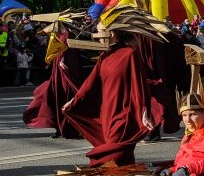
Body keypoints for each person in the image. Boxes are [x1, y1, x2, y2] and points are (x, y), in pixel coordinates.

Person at [62, 27, 159, 167]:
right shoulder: (105, 55)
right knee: (122, 152)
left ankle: (100, 168)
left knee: (116, 148)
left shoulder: (130, 54)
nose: (97, 34)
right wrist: (74, 100)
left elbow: (139, 84)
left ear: (111, 33)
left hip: (125, 111)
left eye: (100, 30)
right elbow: (90, 82)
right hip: (108, 112)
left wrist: (144, 111)